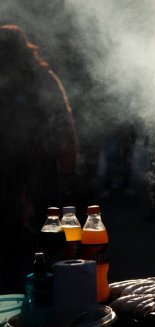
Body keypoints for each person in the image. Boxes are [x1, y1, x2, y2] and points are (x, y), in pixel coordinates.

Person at [0, 24, 79, 293]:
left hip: (11, 180)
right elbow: (64, 127)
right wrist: (69, 174)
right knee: (45, 254)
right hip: (41, 178)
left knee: (10, 257)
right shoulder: (43, 78)